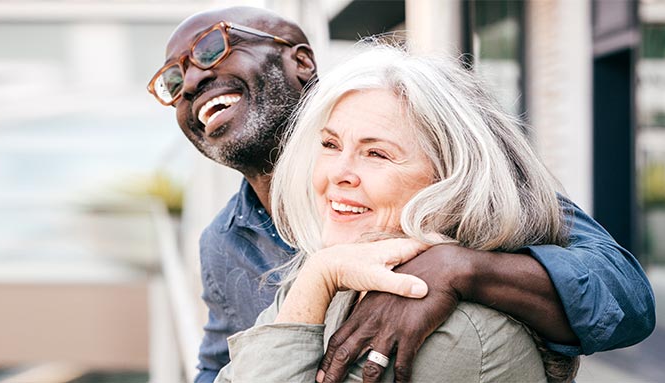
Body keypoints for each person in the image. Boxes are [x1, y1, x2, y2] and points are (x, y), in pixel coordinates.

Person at [146, 7, 653, 383]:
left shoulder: (467, 186)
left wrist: (458, 269)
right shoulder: (224, 241)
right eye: (173, 81)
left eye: (211, 49)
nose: (190, 81)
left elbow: (626, 298)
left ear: (301, 62)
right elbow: (221, 369)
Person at [220, 45, 572, 382]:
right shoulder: (328, 273)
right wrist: (318, 277)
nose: (338, 173)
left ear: (449, 176)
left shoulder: (459, 334)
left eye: (376, 154)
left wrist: (317, 279)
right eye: (330, 145)